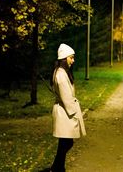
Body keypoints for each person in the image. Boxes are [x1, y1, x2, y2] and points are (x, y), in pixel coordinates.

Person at [50, 43, 86, 172]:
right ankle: (57, 168)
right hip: (65, 112)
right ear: (64, 58)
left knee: (65, 142)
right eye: (71, 58)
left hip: (65, 111)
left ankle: (58, 167)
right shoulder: (60, 74)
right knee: (66, 142)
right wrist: (74, 113)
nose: (73, 60)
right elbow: (66, 97)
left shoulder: (62, 72)